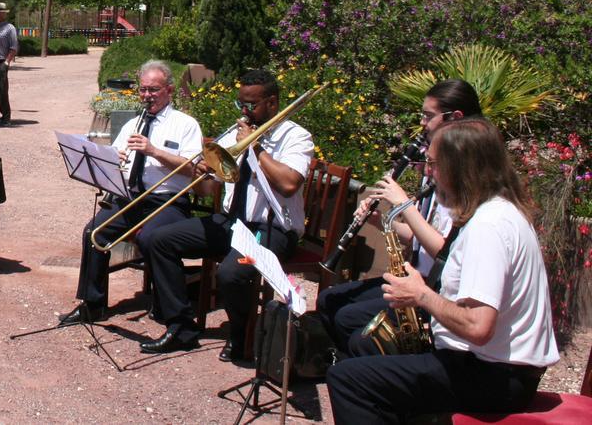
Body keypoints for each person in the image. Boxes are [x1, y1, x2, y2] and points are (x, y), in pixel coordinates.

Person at [326, 118, 558, 423]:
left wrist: (421, 295)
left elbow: (478, 326)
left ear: (461, 167)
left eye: (433, 164)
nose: (427, 172)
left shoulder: (488, 226)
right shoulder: (497, 211)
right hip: (493, 366)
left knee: (348, 380)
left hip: (495, 376)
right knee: (365, 349)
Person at [141, 69, 314, 356]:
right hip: (232, 222)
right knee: (159, 240)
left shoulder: (295, 137)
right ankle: (181, 327)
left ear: (272, 103)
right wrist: (202, 174)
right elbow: (208, 190)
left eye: (251, 105)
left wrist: (255, 145)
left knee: (232, 273)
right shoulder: (237, 133)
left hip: (271, 228)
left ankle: (241, 335)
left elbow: (288, 184)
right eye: (240, 104)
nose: (244, 112)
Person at [317, 79, 483, 357]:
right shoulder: (437, 160)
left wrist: (405, 204)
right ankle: (349, 366)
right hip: (415, 276)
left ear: (455, 118)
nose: (422, 123)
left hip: (436, 290)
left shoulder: (466, 176)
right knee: (329, 300)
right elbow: (419, 236)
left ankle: (361, 371)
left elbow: (446, 252)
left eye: (428, 116)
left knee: (349, 321)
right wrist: (380, 221)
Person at [58, 60, 206, 326]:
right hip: (131, 197)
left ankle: (168, 307)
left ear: (169, 90)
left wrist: (154, 151)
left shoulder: (185, 124)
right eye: (144, 90)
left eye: (154, 90)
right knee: (95, 233)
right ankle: (93, 304)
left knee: (152, 238)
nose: (147, 96)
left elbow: (193, 169)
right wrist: (115, 158)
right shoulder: (133, 123)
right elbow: (112, 158)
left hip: (168, 200)